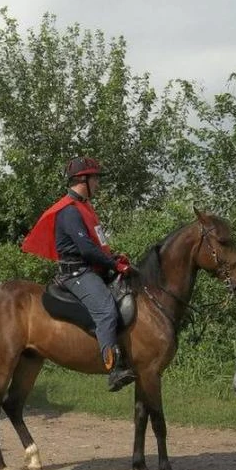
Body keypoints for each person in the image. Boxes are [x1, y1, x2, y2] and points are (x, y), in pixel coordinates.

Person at [21, 157, 137, 392]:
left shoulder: (84, 208)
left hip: (90, 268)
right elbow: (86, 250)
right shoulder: (70, 211)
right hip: (77, 273)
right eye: (95, 179)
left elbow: (97, 245)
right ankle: (113, 369)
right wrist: (115, 266)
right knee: (105, 309)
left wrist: (113, 258)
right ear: (82, 180)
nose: (98, 184)